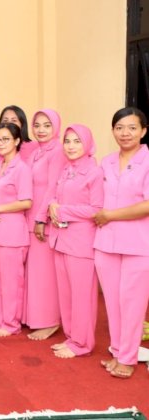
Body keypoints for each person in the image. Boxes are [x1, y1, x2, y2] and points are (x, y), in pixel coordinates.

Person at [94, 107, 149, 379]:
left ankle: (127, 358)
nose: (125, 133)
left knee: (133, 304)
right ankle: (117, 351)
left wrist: (110, 215)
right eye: (119, 128)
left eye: (132, 127)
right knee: (113, 303)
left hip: (139, 244)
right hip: (106, 243)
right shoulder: (105, 162)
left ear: (143, 131)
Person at [48, 124, 103, 358]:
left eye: (77, 141)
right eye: (67, 141)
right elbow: (56, 198)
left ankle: (82, 343)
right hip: (61, 238)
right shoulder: (66, 169)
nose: (71, 146)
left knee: (82, 296)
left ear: (87, 143)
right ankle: (72, 337)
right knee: (67, 294)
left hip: (81, 242)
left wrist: (62, 211)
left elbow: (97, 209)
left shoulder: (94, 172)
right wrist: (52, 204)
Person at [0, 123, 32, 337]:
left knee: (12, 281)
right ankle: (1, 319)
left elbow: (26, 202)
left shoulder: (22, 169)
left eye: (6, 139)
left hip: (13, 233)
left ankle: (11, 324)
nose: (0, 143)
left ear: (17, 141)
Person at [24, 109, 67, 340]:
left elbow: (53, 188)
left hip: (44, 220)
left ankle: (49, 321)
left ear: (56, 127)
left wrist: (41, 218)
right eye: (37, 125)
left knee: (45, 273)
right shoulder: (36, 152)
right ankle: (35, 317)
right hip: (30, 217)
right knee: (35, 271)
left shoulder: (58, 151)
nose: (41, 130)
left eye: (47, 125)